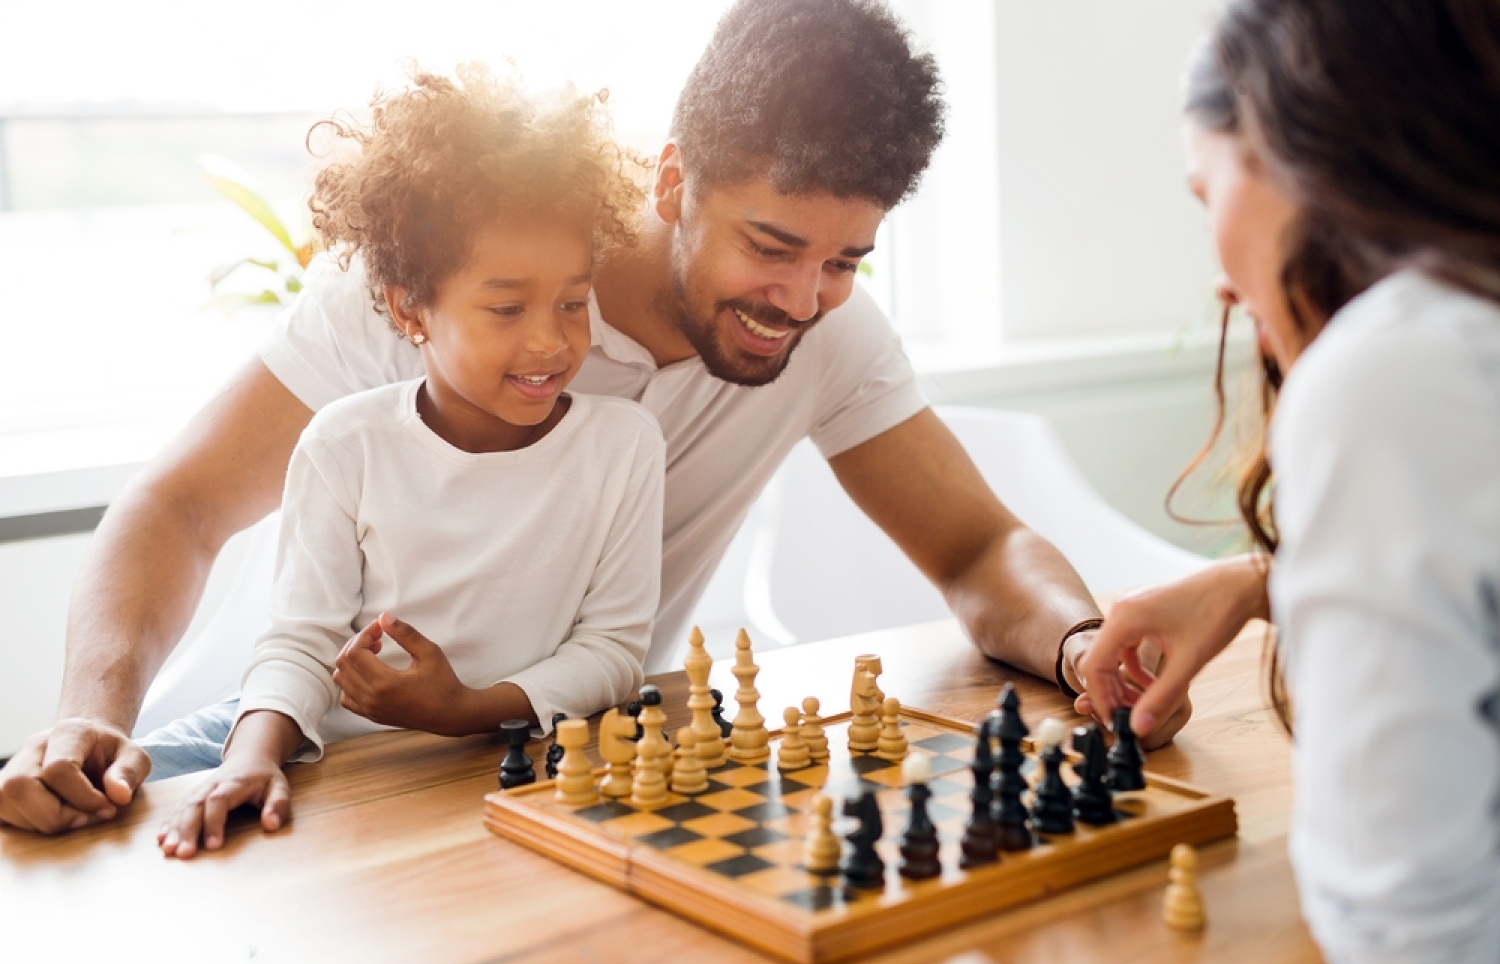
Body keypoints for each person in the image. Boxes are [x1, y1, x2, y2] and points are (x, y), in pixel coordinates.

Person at [0, 0, 1186, 836]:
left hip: (553, 763)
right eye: (771, 246)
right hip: (315, 741)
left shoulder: (832, 332)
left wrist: (1085, 644)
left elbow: (979, 549)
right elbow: (182, 501)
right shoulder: (450, 283)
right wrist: (84, 717)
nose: (804, 300)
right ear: (674, 185)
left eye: (846, 260)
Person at [1076, 1, 1500, 964]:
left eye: (1203, 191)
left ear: (1289, 149)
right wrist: (1264, 577)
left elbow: (1404, 929)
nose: (1220, 284)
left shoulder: (1396, 367)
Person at [149, 67, 664, 856]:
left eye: (572, 300)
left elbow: (614, 654)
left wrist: (466, 707)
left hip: (490, 747)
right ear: (407, 307)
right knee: (96, 793)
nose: (551, 340)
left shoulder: (623, 445)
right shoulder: (343, 442)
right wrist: (251, 758)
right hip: (309, 734)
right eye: (506, 307)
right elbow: (299, 645)